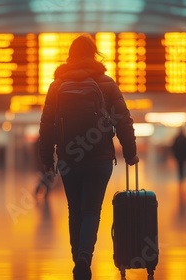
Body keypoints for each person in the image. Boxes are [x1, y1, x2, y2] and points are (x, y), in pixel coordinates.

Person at [38, 34, 138, 280]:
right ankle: (85, 256)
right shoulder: (106, 83)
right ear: (93, 55)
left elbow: (46, 125)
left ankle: (78, 261)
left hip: (69, 158)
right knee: (92, 209)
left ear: (70, 56)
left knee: (75, 210)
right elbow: (123, 119)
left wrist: (46, 160)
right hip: (100, 157)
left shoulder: (57, 86)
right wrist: (130, 153)